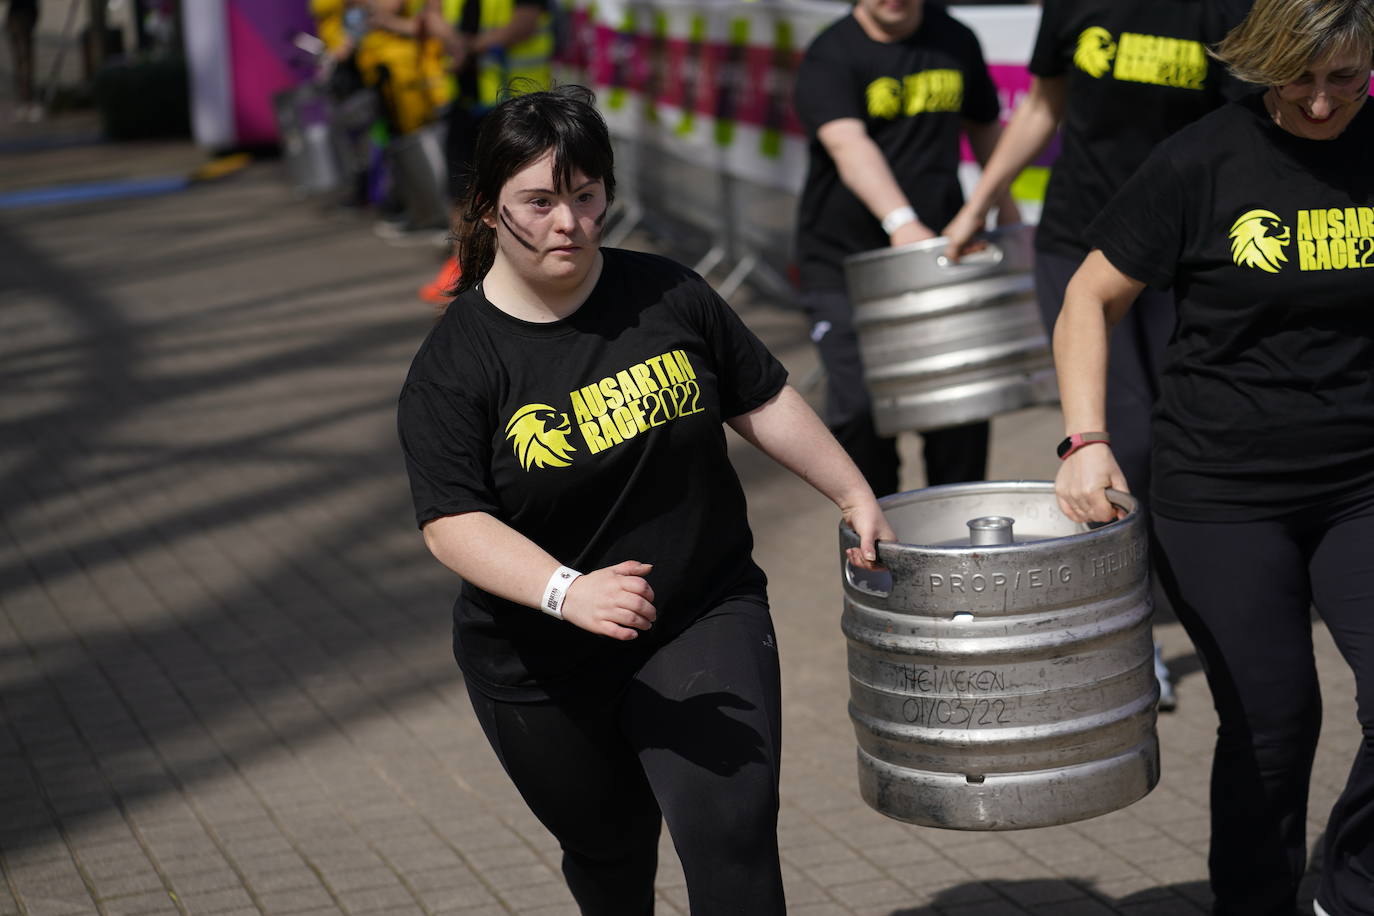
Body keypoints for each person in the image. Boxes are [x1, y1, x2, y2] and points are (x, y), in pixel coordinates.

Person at [397, 85, 894, 915]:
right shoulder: (455, 367)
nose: (569, 223)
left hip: (699, 608)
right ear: (486, 209)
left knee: (732, 834)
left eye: (587, 197)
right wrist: (568, 591)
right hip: (540, 659)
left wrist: (852, 491)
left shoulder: (668, 295)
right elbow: (452, 523)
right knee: (612, 855)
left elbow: (760, 395)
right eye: (540, 201)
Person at [1052, 0, 1374, 912]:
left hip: (1361, 481)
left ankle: (1346, 892)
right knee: (1274, 724)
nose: (1319, 104)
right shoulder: (1201, 159)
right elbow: (1087, 297)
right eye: (1297, 81)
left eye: (1344, 79)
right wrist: (1085, 440)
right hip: (1224, 494)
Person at [943, 0, 1254, 711]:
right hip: (1079, 246)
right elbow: (1043, 108)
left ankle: (1212, 602)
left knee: (1179, 438)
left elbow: (1249, 129)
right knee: (1124, 439)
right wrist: (978, 204)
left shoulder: (1227, 8)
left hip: (1183, 253)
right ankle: (1125, 639)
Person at [792, 0, 1020, 499]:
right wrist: (902, 222)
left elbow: (983, 123)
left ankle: (954, 546)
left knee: (958, 416)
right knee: (860, 413)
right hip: (845, 264)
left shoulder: (955, 38)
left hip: (941, 259)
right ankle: (880, 533)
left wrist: (1005, 204)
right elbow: (848, 145)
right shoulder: (831, 53)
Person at [416, 0, 555, 303]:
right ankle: (463, 267)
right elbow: (432, 15)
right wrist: (455, 42)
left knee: (524, 192)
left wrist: (473, 45)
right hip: (463, 101)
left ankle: (531, 272)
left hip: (516, 107)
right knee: (461, 189)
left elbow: (525, 22)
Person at [6, 0, 39, 122]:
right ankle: (25, 100)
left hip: (23, 15)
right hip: (19, 15)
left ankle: (26, 100)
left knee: (23, 61)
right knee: (23, 61)